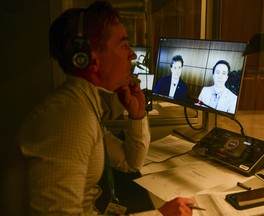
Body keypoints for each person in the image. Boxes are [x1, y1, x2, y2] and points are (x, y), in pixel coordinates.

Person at [17, 1, 195, 215]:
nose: (132, 55)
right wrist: (160, 214)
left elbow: (131, 163)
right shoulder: (70, 118)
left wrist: (137, 115)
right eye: (123, 45)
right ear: (90, 60)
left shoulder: (85, 107)